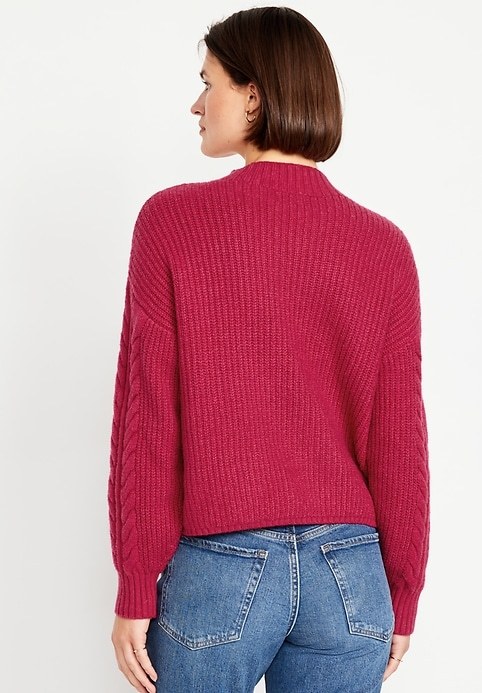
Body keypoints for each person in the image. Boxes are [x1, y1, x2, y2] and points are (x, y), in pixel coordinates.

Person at [108, 6, 430, 693]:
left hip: (221, 566)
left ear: (253, 95)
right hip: (350, 574)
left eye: (209, 83)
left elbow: (150, 418)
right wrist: (402, 593)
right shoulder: (384, 247)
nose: (197, 104)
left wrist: (136, 581)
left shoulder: (171, 222)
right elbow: (400, 441)